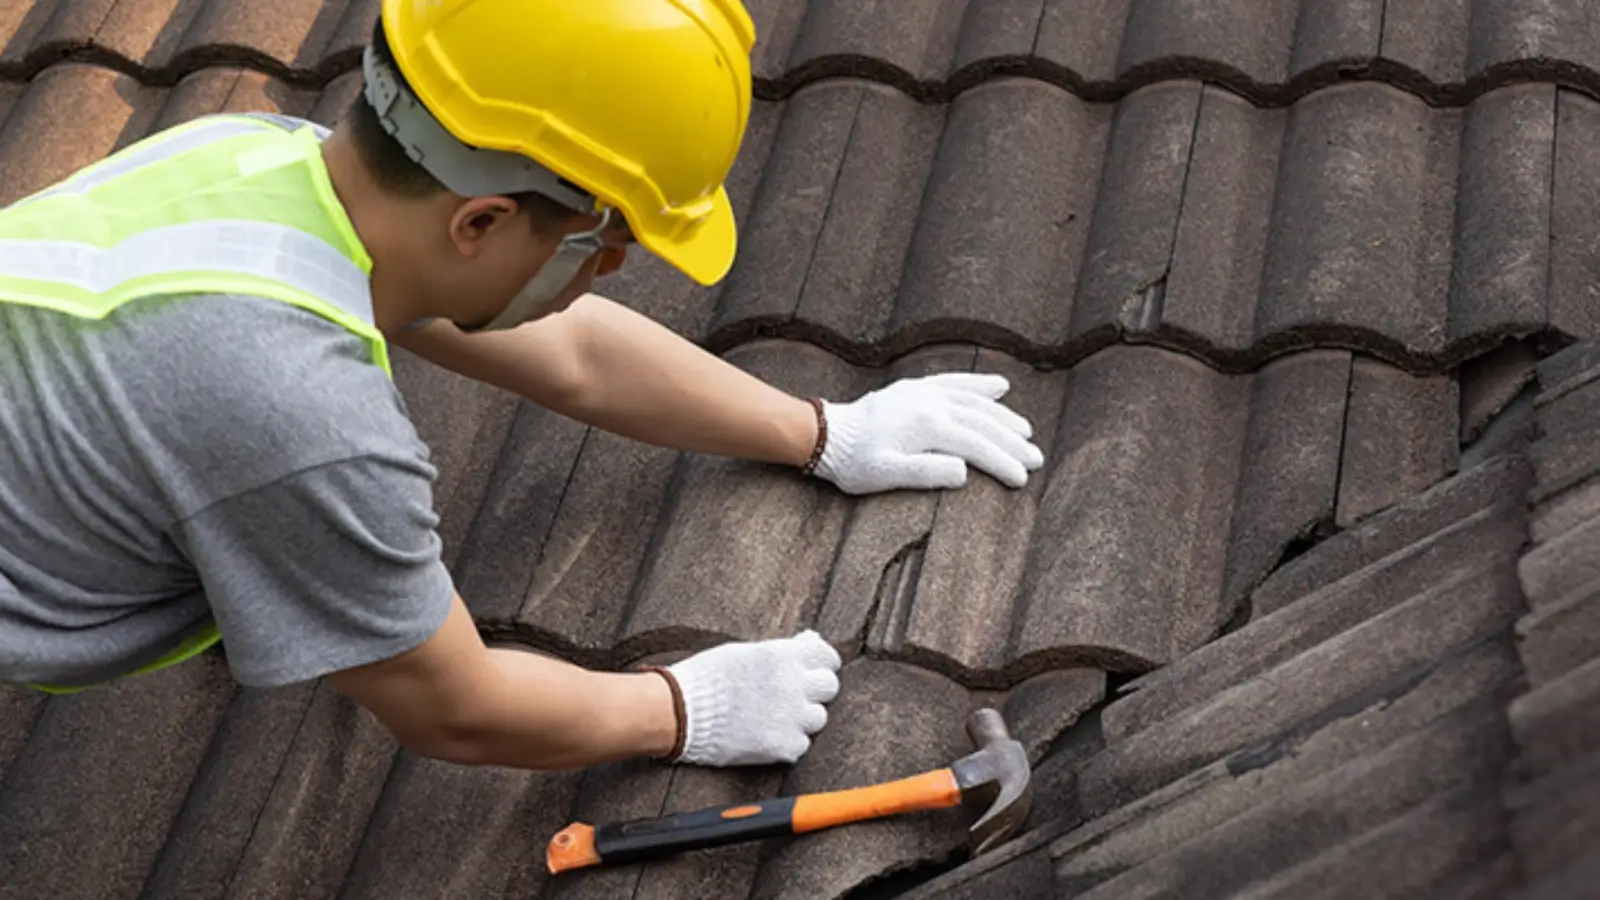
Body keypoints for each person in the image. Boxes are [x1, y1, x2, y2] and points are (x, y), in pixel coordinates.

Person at [0, 0, 1042, 773]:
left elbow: (574, 352)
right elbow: (454, 706)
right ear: (483, 221)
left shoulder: (254, 157)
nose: (609, 273)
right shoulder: (297, 418)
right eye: (604, 244)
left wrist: (822, 431)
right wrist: (681, 708)